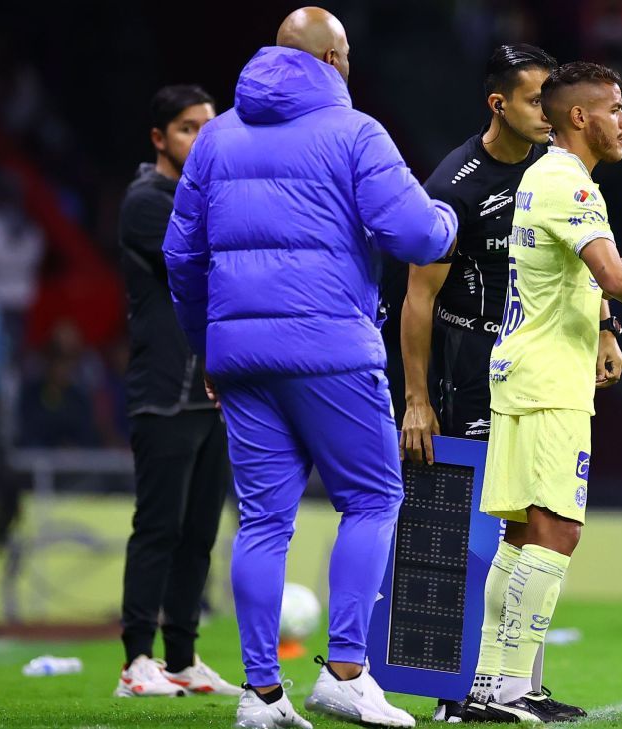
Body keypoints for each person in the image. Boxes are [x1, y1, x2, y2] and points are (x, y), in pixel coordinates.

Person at [163, 8, 458, 728]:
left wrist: (209, 344)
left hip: (239, 357)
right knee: (372, 498)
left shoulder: (216, 137)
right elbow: (418, 234)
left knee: (263, 522)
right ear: (330, 60)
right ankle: (347, 673)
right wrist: (449, 217)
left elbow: (181, 256)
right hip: (329, 349)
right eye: (346, 54)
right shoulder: (355, 132)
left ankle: (261, 695)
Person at [464, 61, 622, 723]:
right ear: (580, 116)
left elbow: (592, 271)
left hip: (523, 371)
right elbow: (611, 276)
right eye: (616, 108)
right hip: (549, 378)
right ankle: (510, 687)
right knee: (557, 530)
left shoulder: (546, 177)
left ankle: (491, 683)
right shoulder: (570, 182)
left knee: (521, 534)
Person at [400, 44, 608, 723]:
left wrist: (608, 327)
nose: (549, 111)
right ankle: (454, 692)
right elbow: (418, 298)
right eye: (534, 99)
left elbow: (582, 261)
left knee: (530, 524)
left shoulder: (556, 170)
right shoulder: (455, 185)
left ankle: (518, 684)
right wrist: (418, 399)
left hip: (536, 359)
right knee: (473, 532)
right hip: (472, 368)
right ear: (499, 103)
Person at [115, 84, 238, 699]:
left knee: (198, 535)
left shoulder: (203, 198)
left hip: (211, 393)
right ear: (159, 138)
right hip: (164, 391)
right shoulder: (147, 202)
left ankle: (182, 659)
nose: (200, 138)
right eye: (188, 128)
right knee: (158, 528)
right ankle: (136, 661)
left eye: (208, 127)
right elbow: (203, 259)